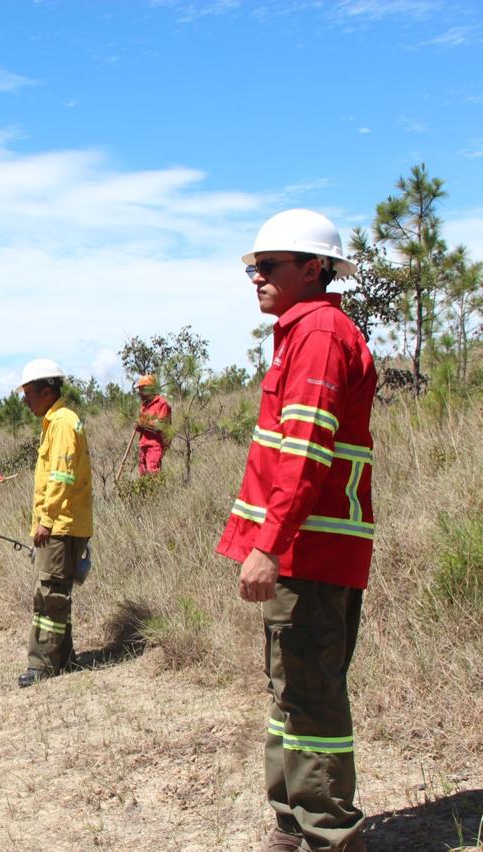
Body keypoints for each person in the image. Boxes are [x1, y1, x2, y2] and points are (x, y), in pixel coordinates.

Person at [216, 209, 374, 852]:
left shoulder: (317, 334)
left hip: (307, 551)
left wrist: (269, 545)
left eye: (269, 266)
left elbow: (306, 454)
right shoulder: (301, 332)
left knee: (308, 696)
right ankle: (294, 826)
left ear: (315, 270)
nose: (256, 277)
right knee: (292, 691)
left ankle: (326, 836)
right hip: (305, 549)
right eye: (254, 267)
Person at [15, 358, 92, 688]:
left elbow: (61, 477)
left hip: (60, 525)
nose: (25, 400)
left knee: (48, 595)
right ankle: (62, 657)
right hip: (63, 523)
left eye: (29, 393)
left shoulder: (61, 423)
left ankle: (43, 664)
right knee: (57, 593)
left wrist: (45, 521)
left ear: (47, 392)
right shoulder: (56, 422)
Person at [133, 374, 172, 475]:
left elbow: (161, 425)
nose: (139, 393)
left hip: (155, 445)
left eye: (141, 389)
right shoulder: (144, 405)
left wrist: (144, 423)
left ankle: (156, 492)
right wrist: (138, 425)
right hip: (143, 445)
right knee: (143, 473)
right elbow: (141, 426)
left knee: (153, 473)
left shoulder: (162, 404)